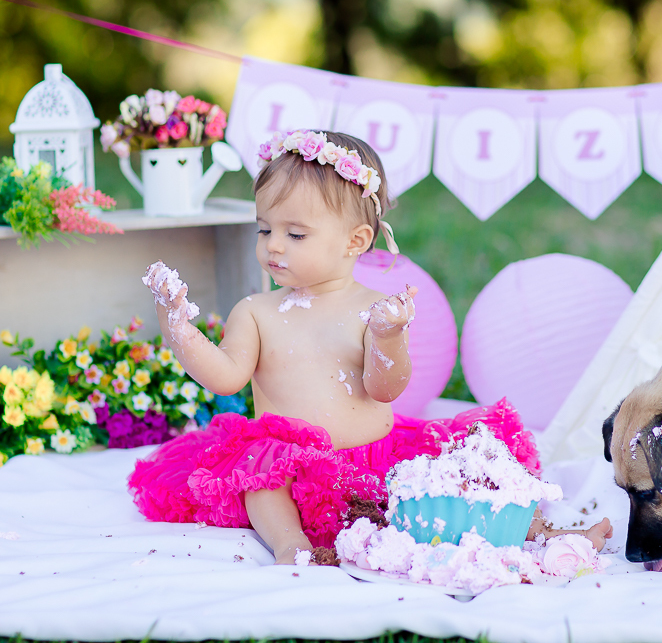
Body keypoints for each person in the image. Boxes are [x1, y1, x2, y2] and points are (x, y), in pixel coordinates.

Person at [129, 129, 611, 564]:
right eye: (265, 229)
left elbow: (385, 389)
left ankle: (544, 531)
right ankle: (289, 543)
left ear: (355, 241)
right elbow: (226, 375)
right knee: (260, 477)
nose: (274, 245)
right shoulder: (255, 311)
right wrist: (180, 329)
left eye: (295, 234)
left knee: (459, 479)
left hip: (372, 458)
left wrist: (387, 337)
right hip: (294, 469)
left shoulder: (373, 311)